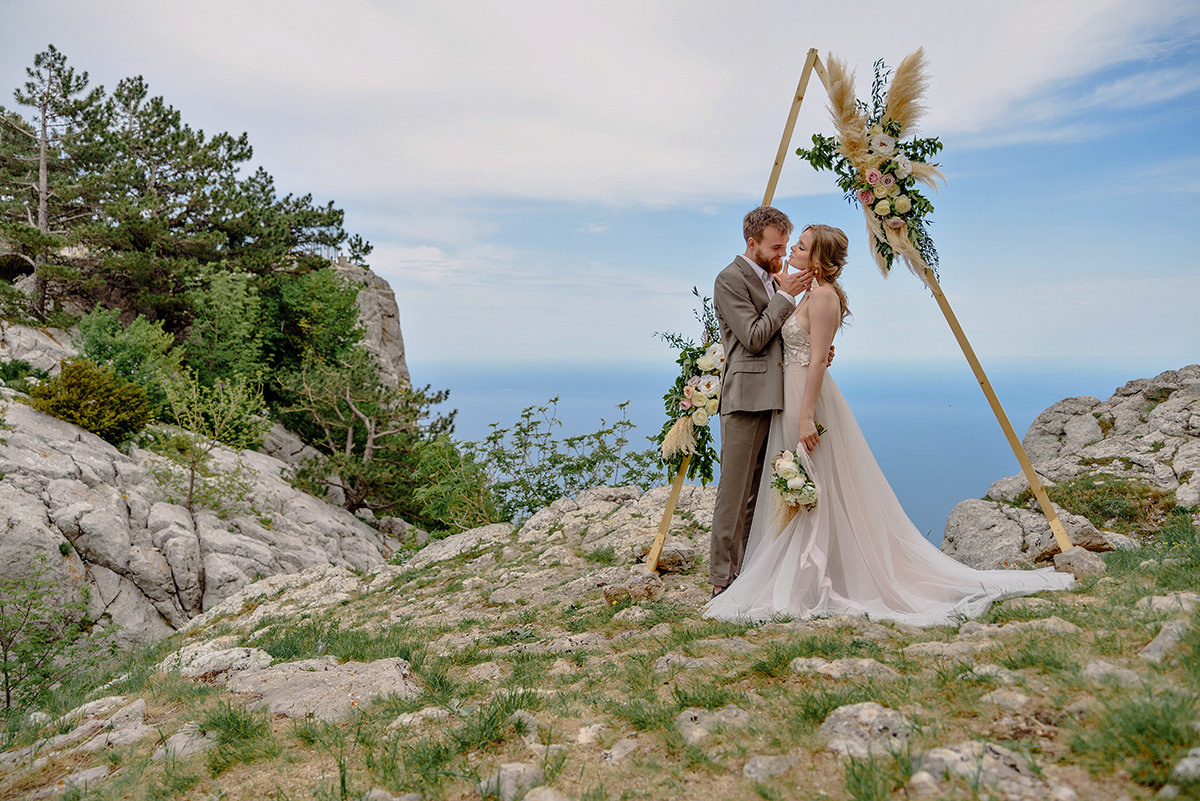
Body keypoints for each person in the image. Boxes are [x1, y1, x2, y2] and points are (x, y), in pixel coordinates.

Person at [705, 224, 1074, 625]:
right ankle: (758, 573)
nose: (789, 250)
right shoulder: (782, 288)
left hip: (799, 401)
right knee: (779, 486)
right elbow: (768, 336)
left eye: (799, 245)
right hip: (779, 397)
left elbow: (810, 354)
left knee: (812, 485)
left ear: (817, 259)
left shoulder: (821, 295)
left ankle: (811, 575)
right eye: (783, 245)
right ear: (753, 243)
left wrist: (811, 395)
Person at [710, 206, 815, 598]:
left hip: (775, 396)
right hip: (743, 398)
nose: (781, 253)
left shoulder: (773, 279)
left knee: (758, 491)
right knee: (733, 491)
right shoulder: (729, 280)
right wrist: (787, 294)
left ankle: (748, 570)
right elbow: (753, 337)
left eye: (786, 245)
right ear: (751, 243)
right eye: (775, 246)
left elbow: (778, 337)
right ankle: (722, 578)